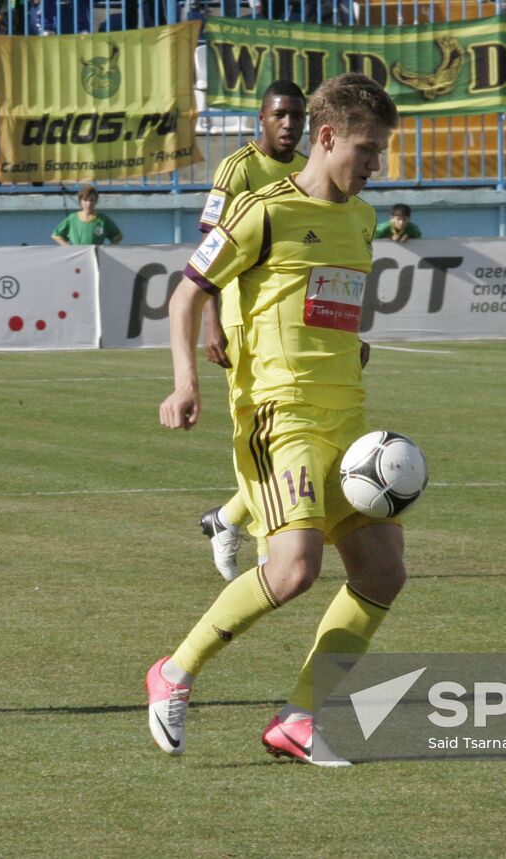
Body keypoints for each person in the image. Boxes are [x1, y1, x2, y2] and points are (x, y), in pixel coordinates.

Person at [150, 73, 403, 767]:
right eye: (367, 149)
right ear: (327, 138)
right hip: (277, 417)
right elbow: (185, 295)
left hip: (346, 419)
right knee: (293, 569)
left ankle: (298, 716)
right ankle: (175, 671)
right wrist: (185, 382)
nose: (375, 164)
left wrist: (351, 343)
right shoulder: (262, 210)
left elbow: (332, 300)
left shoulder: (360, 218)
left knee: (382, 573)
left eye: (380, 151)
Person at [195, 79, 308, 582]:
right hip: (241, 320)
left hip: (293, 324)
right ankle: (268, 545)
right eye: (279, 114)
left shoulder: (308, 171)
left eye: (296, 116)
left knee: (294, 434)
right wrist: (210, 319)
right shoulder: (237, 169)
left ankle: (228, 520)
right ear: (260, 119)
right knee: (257, 432)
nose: (288, 124)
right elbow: (208, 253)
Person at [51, 185, 123, 245]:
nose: (88, 203)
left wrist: (105, 250)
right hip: (78, 258)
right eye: (85, 200)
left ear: (96, 201)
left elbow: (117, 237)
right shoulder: (72, 219)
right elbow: (56, 235)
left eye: (91, 200)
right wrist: (69, 248)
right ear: (80, 201)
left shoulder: (103, 220)